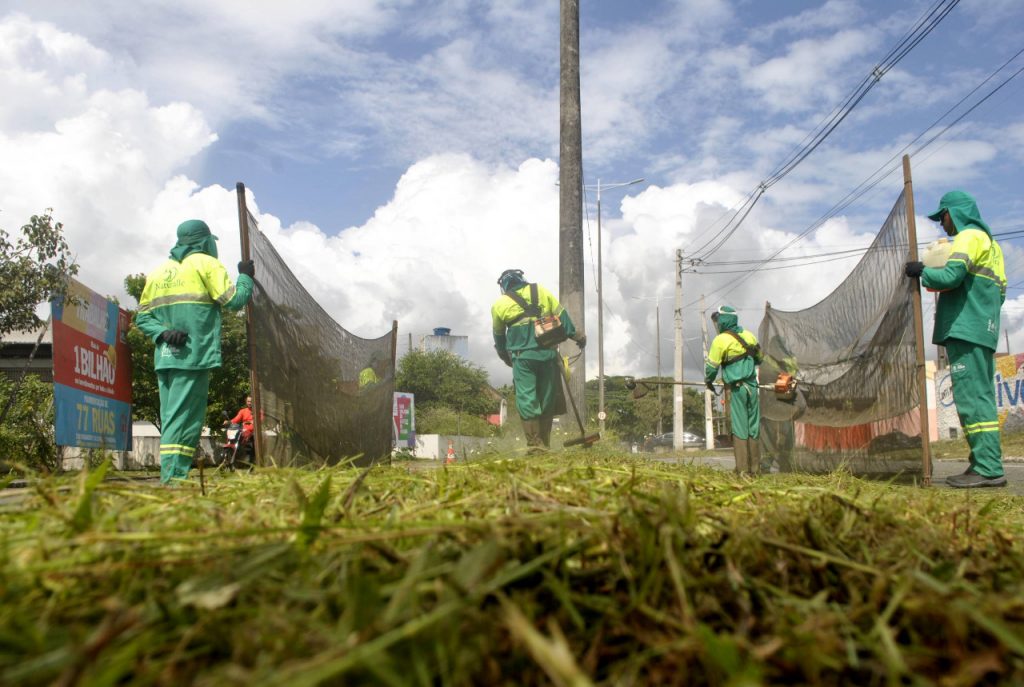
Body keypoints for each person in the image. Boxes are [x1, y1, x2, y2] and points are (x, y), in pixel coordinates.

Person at [135, 219, 255, 483]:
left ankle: (173, 478)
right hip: (192, 356)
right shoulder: (206, 264)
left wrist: (161, 333)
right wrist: (245, 276)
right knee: (184, 421)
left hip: (165, 359)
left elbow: (142, 317)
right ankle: (173, 482)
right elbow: (234, 300)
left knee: (172, 419)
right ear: (204, 240)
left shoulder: (158, 273)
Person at [905, 190, 1007, 488]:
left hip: (966, 327)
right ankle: (982, 464)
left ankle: (988, 467)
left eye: (943, 216)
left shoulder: (968, 237)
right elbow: (997, 294)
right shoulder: (993, 246)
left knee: (972, 399)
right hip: (981, 327)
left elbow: (951, 276)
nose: (942, 224)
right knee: (980, 396)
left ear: (955, 213)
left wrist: (922, 271)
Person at [491, 269, 585, 453]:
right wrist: (579, 337)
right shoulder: (541, 291)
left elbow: (499, 338)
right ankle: (546, 445)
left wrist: (505, 357)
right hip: (548, 356)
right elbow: (564, 319)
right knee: (547, 399)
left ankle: (535, 445)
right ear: (522, 280)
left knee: (527, 398)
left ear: (504, 286)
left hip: (522, 358)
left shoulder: (500, 304)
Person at [705, 306, 763, 475]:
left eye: (718, 320)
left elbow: (711, 367)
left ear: (723, 321)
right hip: (753, 387)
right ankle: (755, 469)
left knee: (740, 427)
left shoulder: (720, 340)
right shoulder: (749, 335)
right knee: (754, 427)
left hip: (737, 390)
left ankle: (742, 470)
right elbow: (760, 358)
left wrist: (708, 381)